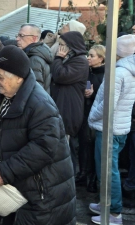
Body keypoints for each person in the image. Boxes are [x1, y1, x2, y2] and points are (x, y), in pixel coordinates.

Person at [0, 45, 76, 225]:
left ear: (19, 77)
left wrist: (7, 170)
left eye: (0, 76)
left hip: (40, 195)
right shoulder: (3, 96)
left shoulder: (40, 104)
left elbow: (44, 147)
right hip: (16, 190)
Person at [88, 35, 135, 225]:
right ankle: (106, 203)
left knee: (108, 171)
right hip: (119, 127)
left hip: (110, 128)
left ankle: (114, 213)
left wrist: (92, 116)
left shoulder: (120, 72)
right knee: (109, 169)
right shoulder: (129, 71)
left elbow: (108, 104)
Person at [50, 31, 88, 176]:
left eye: (62, 45)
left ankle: (68, 179)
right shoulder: (71, 59)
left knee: (66, 151)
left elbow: (60, 76)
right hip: (63, 107)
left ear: (72, 46)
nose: (60, 49)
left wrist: (58, 58)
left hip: (69, 111)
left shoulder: (79, 61)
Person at [76, 45, 105, 193]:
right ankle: (83, 174)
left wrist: (92, 95)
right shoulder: (88, 72)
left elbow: (104, 97)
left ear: (101, 58)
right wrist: (87, 92)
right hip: (85, 112)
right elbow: (86, 85)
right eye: (89, 55)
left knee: (92, 146)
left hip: (96, 117)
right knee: (83, 145)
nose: (89, 57)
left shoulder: (105, 75)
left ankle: (92, 178)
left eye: (92, 56)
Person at [16, 24, 53, 93]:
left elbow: (35, 91)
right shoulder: (37, 54)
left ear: (34, 38)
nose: (17, 39)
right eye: (17, 35)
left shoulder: (34, 60)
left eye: (21, 36)